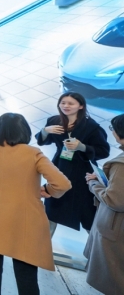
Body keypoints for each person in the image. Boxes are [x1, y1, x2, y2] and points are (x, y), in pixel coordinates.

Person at [0, 113, 71, 295]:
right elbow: (62, 183)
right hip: (22, 218)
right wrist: (47, 190)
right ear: (24, 131)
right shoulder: (33, 153)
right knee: (25, 272)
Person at [36, 92, 110, 235]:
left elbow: (103, 151)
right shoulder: (54, 121)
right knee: (52, 207)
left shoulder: (92, 127)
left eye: (71, 103)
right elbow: (43, 141)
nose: (66, 106)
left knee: (86, 210)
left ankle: (94, 246)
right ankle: (43, 244)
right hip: (60, 167)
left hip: (82, 171)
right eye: (63, 103)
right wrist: (45, 131)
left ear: (81, 106)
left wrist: (82, 147)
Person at [83, 114, 124, 295]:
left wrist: (94, 184)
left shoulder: (121, 165)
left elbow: (115, 199)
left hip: (116, 229)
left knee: (113, 281)